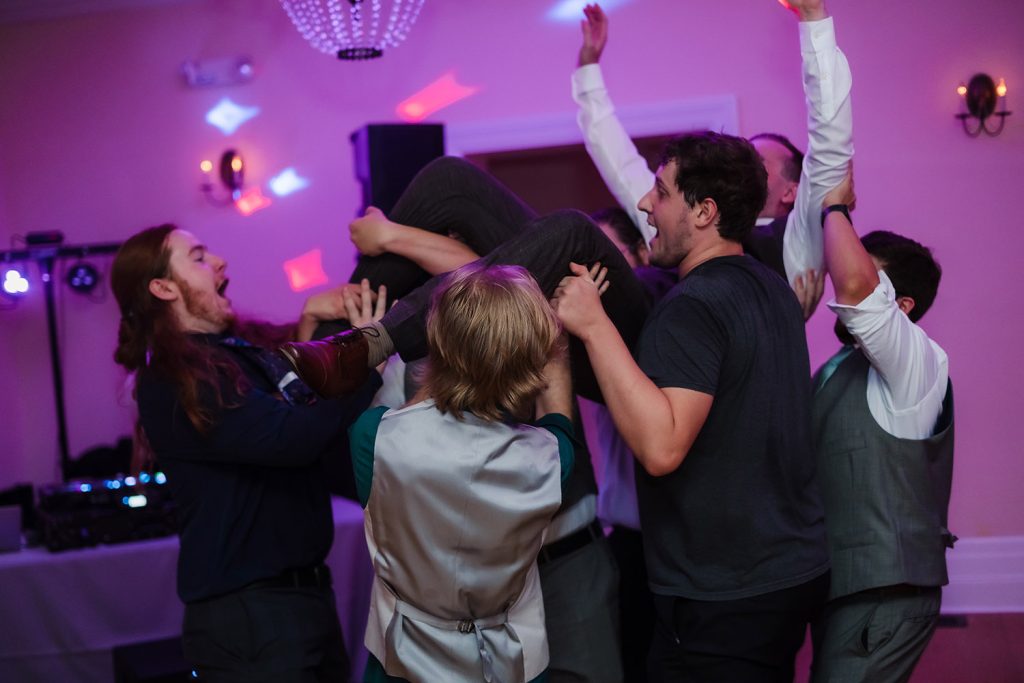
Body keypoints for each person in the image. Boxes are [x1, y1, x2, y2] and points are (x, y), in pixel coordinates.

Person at [111, 224, 386, 682]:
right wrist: (367, 357)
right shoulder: (177, 381)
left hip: (297, 602)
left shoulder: (233, 353)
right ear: (162, 287)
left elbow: (300, 386)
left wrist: (316, 320)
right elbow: (293, 437)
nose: (218, 262)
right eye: (198, 257)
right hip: (251, 617)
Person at [351, 263, 578, 683]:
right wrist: (557, 351)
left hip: (401, 661)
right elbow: (558, 420)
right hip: (508, 663)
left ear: (439, 345)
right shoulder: (551, 459)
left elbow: (416, 414)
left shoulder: (375, 438)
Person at [572, 0, 854, 318]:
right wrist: (588, 69)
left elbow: (830, 141)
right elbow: (621, 164)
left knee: (568, 230)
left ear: (791, 191)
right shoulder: (676, 216)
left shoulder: (797, 241)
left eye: (756, 163)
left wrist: (813, 19)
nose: (739, 168)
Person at [810, 170, 954, 683]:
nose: (842, 278)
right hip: (848, 588)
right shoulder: (838, 367)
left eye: (871, 277)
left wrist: (834, 207)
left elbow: (854, 287)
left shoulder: (918, 359)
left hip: (885, 594)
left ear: (901, 307)